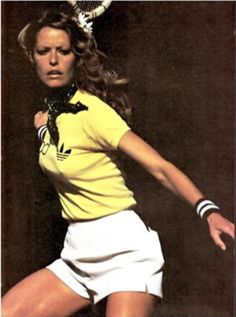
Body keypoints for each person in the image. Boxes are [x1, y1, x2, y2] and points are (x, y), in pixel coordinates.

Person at [2, 5, 234, 317]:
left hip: (126, 253)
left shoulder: (93, 112)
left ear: (76, 57)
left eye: (63, 51)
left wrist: (208, 211)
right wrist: (44, 129)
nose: (54, 60)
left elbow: (159, 167)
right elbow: (60, 146)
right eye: (44, 51)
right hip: (77, 255)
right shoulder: (43, 119)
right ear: (32, 57)